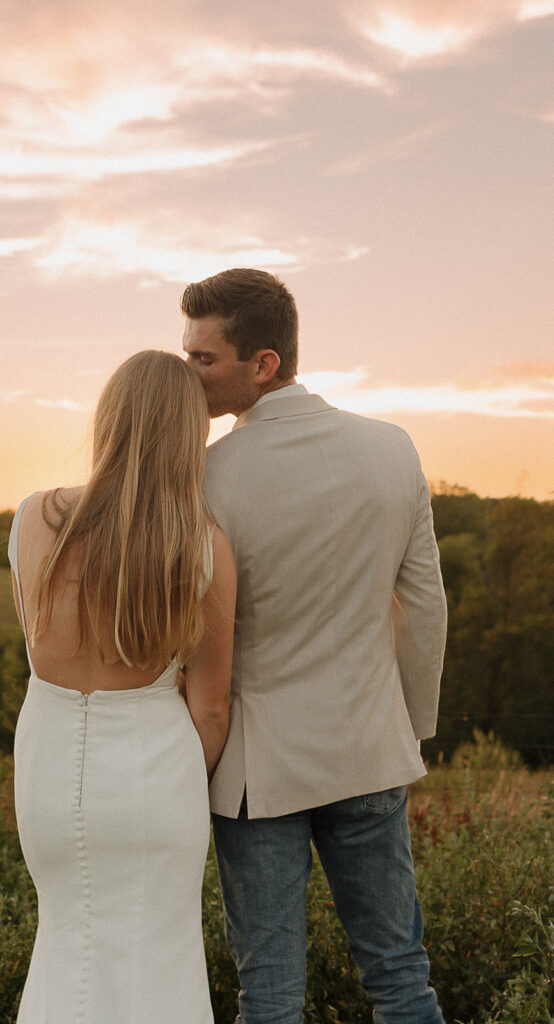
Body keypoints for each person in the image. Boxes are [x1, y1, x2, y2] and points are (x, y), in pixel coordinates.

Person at [181, 269, 448, 1024]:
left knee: (269, 996)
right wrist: (410, 728)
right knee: (400, 976)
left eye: (203, 358)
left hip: (256, 775)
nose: (187, 373)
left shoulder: (202, 477)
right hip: (369, 749)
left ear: (262, 364)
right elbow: (425, 605)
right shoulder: (392, 449)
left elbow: (192, 635)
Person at [8, 350, 236, 1024]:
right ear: (189, 432)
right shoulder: (204, 543)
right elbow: (213, 709)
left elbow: (37, 644)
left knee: (63, 951)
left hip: (48, 774)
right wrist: (169, 785)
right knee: (156, 965)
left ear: (109, 419)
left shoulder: (31, 519)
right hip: (155, 780)